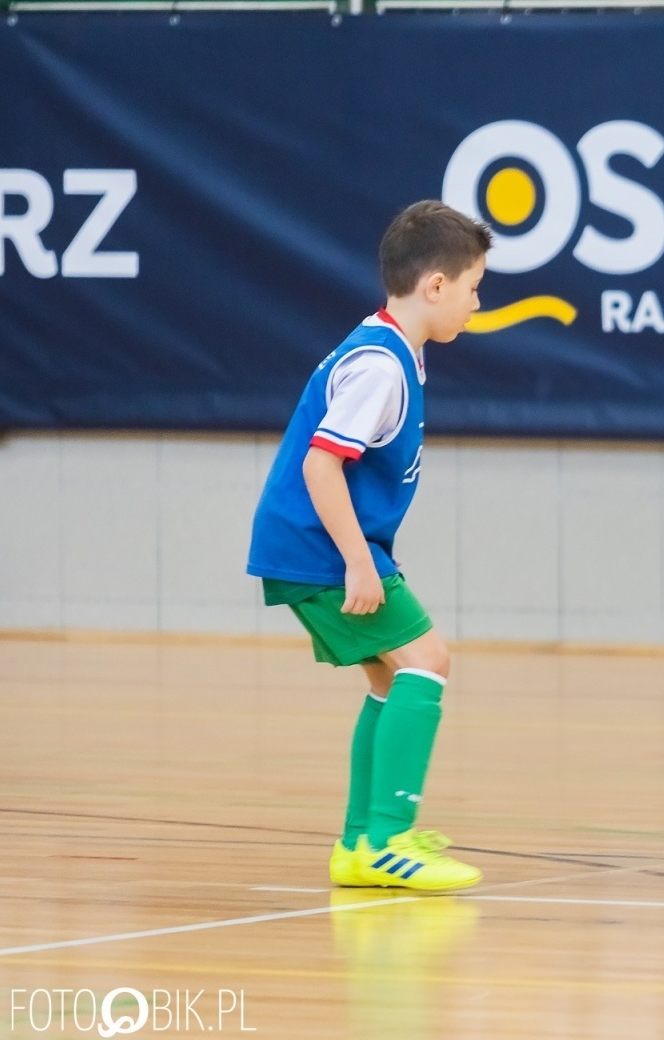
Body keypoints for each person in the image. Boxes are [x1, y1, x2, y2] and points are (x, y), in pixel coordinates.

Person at [247, 200, 490, 891]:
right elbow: (320, 464)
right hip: (317, 547)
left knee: (392, 676)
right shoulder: (381, 366)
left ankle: (360, 843)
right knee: (428, 660)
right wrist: (358, 560)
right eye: (473, 288)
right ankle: (388, 841)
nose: (477, 303)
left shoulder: (392, 348)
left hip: (320, 544)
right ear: (435, 286)